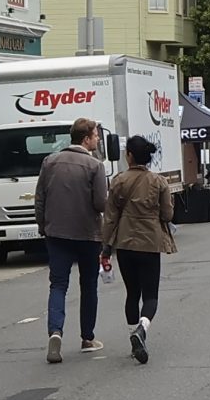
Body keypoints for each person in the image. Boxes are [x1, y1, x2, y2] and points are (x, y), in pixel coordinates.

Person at [34, 118, 107, 364]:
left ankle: (55, 331)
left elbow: (40, 198)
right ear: (85, 138)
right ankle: (87, 338)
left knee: (58, 284)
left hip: (57, 232)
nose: (97, 139)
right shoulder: (95, 166)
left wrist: (44, 226)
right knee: (88, 285)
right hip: (87, 233)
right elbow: (100, 203)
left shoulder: (49, 162)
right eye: (95, 136)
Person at [101, 136, 177, 364]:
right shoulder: (159, 182)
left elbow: (110, 217)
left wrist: (105, 246)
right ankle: (142, 329)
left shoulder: (118, 181)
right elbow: (168, 215)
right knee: (150, 294)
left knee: (132, 292)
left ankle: (133, 332)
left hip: (124, 243)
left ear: (130, 156)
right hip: (150, 243)